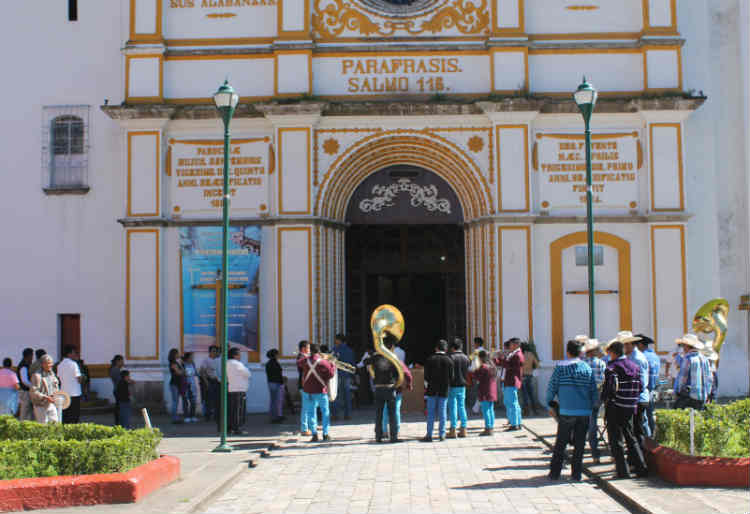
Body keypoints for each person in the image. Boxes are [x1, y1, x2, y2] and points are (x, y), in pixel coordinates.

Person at [546, 339, 598, 481]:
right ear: (580, 352)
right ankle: (576, 474)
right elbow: (593, 389)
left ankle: (555, 472)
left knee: (561, 442)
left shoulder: (560, 368)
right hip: (584, 411)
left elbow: (552, 388)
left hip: (566, 411)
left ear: (567, 352)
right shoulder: (586, 368)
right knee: (580, 443)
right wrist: (594, 405)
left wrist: (549, 404)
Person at [601, 340, 648, 479]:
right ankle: (641, 468)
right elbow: (641, 386)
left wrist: (604, 400)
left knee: (616, 440)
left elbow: (609, 389)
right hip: (630, 406)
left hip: (615, 406)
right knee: (631, 437)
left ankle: (623, 471)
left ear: (613, 353)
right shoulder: (634, 365)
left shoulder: (612, 367)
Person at [368, 333, 403, 443]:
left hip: (378, 388)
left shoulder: (375, 357)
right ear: (391, 346)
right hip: (389, 387)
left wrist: (373, 372)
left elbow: (366, 363)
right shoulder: (393, 358)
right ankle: (393, 437)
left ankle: (378, 436)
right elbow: (398, 373)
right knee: (392, 414)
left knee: (378, 414)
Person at [299, 343, 335, 442]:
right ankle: (325, 434)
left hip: (308, 391)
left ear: (310, 351)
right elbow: (331, 374)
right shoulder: (323, 362)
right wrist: (331, 363)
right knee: (325, 412)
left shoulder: (305, 361)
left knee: (311, 413)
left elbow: (299, 362)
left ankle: (314, 434)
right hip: (321, 390)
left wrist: (307, 356)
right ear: (319, 351)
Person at [380, 335, 413, 440]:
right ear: (392, 347)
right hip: (396, 389)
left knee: (384, 410)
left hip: (383, 388)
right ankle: (396, 431)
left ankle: (384, 431)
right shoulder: (396, 360)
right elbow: (407, 373)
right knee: (396, 410)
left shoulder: (380, 360)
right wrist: (409, 384)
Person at [621, 331, 651, 444]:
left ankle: (644, 454)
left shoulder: (637, 358)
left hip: (637, 398)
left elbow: (641, 382)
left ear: (629, 344)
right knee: (636, 428)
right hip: (633, 398)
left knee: (638, 430)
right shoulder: (630, 356)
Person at [421, 339, 453, 442]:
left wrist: (427, 386)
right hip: (444, 390)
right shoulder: (449, 360)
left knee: (430, 413)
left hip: (432, 390)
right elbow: (451, 377)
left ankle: (429, 434)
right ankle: (442, 434)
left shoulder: (430, 359)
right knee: (442, 412)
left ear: (436, 348)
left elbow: (426, 377)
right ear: (446, 348)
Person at [673, 334, 712, 410]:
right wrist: (708, 393)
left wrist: (677, 391)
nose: (683, 348)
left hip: (690, 396)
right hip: (702, 396)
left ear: (687, 346)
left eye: (683, 345)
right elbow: (709, 379)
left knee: (688, 419)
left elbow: (682, 378)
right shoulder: (705, 359)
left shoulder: (688, 359)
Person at [582, 338, 606, 463]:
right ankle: (595, 454)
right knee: (593, 423)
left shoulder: (581, 363)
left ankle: (591, 452)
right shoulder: (601, 363)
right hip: (597, 395)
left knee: (585, 425)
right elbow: (604, 380)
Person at [496, 337, 525, 431]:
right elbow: (505, 364)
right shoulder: (513, 354)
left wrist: (502, 358)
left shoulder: (517, 355)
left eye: (511, 344)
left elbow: (509, 366)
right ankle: (517, 422)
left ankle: (514, 424)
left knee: (512, 403)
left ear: (516, 344)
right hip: (509, 381)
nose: (510, 346)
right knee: (513, 403)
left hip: (512, 381)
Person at [634, 334, 660, 435]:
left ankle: (646, 441)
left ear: (640, 344)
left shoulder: (641, 357)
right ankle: (652, 440)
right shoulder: (655, 356)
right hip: (653, 390)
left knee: (643, 420)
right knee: (649, 417)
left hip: (644, 390)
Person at [446, 338, 469, 438]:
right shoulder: (466, 358)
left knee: (453, 407)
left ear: (452, 348)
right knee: (462, 406)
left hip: (453, 385)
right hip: (462, 385)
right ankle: (463, 428)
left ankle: (453, 429)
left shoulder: (451, 357)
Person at [226, 347, 251, 435]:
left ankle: (230, 427)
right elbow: (248, 373)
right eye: (239, 354)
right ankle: (237, 428)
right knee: (239, 410)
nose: (240, 356)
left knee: (232, 409)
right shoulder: (237, 364)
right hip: (239, 389)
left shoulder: (227, 363)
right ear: (235, 355)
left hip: (232, 388)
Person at [473, 350, 498, 435]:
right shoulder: (492, 366)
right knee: (490, 409)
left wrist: (476, 367)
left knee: (486, 410)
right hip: (492, 390)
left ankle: (488, 428)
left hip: (485, 391)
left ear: (481, 358)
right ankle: (491, 427)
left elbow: (476, 376)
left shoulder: (483, 367)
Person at [331, 334, 355, 420]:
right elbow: (352, 363)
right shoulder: (350, 350)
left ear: (339, 340)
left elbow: (331, 361)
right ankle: (347, 414)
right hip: (347, 374)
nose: (335, 341)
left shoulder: (335, 349)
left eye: (336, 340)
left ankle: (335, 414)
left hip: (337, 375)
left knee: (335, 394)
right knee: (347, 395)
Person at [30, 354, 60, 424]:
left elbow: (56, 386)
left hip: (51, 404)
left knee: (55, 423)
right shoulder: (36, 376)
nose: (51, 365)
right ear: (43, 364)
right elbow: (33, 392)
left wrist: (55, 395)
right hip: (40, 405)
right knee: (43, 426)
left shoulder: (52, 374)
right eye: (49, 363)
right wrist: (46, 397)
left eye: (51, 363)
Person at [57, 345, 82, 424]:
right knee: (74, 417)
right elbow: (79, 378)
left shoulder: (59, 365)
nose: (75, 355)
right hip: (74, 393)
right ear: (69, 353)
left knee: (65, 416)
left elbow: (59, 379)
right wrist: (83, 377)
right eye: (74, 353)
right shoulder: (73, 364)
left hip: (64, 393)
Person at [199, 345, 220, 421]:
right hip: (210, 381)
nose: (215, 353)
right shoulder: (206, 360)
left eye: (216, 351)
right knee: (208, 399)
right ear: (210, 352)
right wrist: (206, 382)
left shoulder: (218, 360)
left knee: (216, 399)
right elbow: (202, 372)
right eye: (213, 351)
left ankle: (215, 415)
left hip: (217, 381)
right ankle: (207, 415)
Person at [520, 341, 542, 416]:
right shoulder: (531, 354)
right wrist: (531, 368)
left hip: (522, 375)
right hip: (530, 374)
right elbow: (538, 365)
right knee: (531, 394)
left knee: (524, 394)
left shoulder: (520, 355)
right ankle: (535, 410)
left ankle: (526, 411)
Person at [296, 340, 313, 436]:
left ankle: (311, 425)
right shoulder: (302, 358)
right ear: (303, 349)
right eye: (308, 348)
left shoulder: (305, 357)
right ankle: (304, 428)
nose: (310, 350)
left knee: (311, 406)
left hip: (307, 384)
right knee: (306, 407)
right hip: (304, 385)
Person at [168, 348, 187, 424]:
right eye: (177, 353)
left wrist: (182, 365)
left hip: (177, 384)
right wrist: (183, 371)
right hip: (174, 384)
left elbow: (182, 370)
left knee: (176, 401)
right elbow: (179, 372)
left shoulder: (177, 362)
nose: (179, 354)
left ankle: (176, 417)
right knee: (175, 401)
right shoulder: (173, 363)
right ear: (174, 354)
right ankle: (174, 418)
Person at [265, 349, 285, 423]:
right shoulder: (275, 363)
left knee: (273, 400)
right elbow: (278, 374)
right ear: (275, 355)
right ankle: (277, 417)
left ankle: (273, 416)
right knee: (278, 401)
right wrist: (282, 383)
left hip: (271, 383)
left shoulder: (268, 363)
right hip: (277, 383)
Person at [16, 348, 34, 421]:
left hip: (26, 391)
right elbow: (24, 381)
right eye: (32, 355)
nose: (32, 357)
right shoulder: (23, 366)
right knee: (24, 411)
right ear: (28, 356)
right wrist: (33, 386)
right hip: (25, 392)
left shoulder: (26, 364)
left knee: (28, 411)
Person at [182, 352, 199, 423]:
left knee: (193, 401)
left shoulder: (193, 364)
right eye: (191, 357)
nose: (192, 358)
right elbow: (183, 374)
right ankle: (186, 416)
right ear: (188, 358)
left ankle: (193, 416)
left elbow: (195, 373)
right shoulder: (183, 364)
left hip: (192, 384)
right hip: (185, 384)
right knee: (186, 400)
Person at [109, 355, 125, 425]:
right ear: (117, 361)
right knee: (119, 407)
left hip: (118, 390)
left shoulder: (116, 369)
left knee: (119, 406)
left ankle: (118, 421)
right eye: (121, 361)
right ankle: (118, 422)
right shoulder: (115, 370)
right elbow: (119, 381)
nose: (123, 363)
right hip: (118, 390)